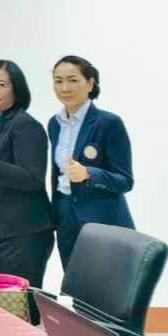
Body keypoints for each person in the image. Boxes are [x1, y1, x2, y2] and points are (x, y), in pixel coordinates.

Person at [0, 60, 54, 318]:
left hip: (23, 232)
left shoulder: (25, 125)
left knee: (23, 308)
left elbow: (32, 178)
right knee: (9, 306)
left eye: (1, 84)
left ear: (17, 90)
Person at [48, 55, 134, 268]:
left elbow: (125, 180)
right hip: (65, 215)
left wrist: (89, 174)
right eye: (58, 81)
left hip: (102, 219)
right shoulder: (55, 123)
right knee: (73, 284)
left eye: (73, 80)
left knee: (104, 286)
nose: (65, 87)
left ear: (90, 83)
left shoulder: (109, 123)